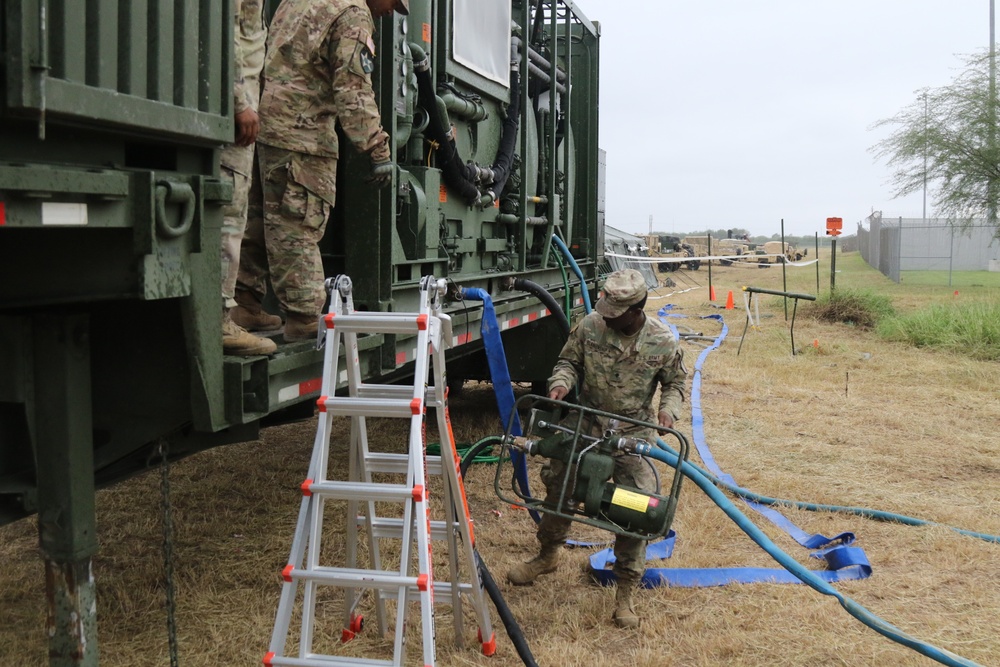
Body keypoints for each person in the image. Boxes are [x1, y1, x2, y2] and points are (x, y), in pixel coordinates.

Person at [507, 269, 687, 630]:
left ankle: (625, 591)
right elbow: (568, 362)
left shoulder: (663, 341)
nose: (607, 316)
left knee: (636, 508)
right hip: (586, 423)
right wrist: (560, 384)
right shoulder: (590, 326)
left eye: (615, 313)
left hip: (632, 433)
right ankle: (547, 555)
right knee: (559, 488)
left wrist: (668, 411)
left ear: (636, 310)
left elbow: (675, 384)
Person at [232, 0, 407, 342]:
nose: (392, 11)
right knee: (299, 223)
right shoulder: (353, 13)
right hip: (304, 136)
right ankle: (304, 317)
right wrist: (377, 147)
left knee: (259, 219)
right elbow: (353, 89)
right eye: (394, 2)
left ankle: (246, 304)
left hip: (265, 125)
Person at [220, 0, 276, 356]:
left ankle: (229, 312)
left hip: (241, 99)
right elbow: (223, 29)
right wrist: (240, 101)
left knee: (237, 210)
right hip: (233, 106)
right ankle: (219, 320)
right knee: (229, 212)